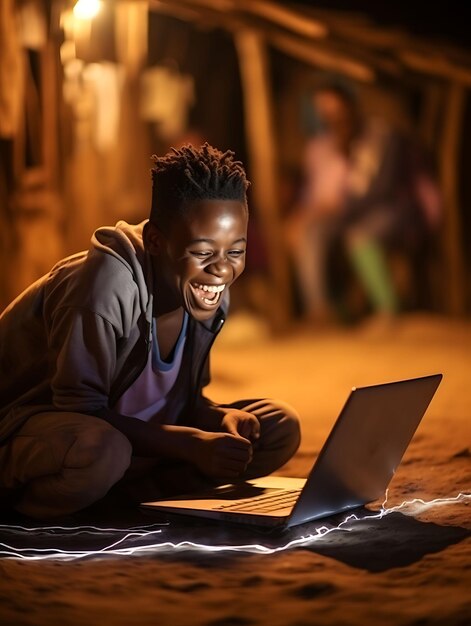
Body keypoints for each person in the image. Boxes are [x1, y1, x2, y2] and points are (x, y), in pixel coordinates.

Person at [0, 143, 301, 520]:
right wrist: (190, 443)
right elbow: (81, 409)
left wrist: (218, 419)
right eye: (204, 252)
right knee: (101, 450)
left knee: (278, 426)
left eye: (235, 252)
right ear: (157, 241)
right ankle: (21, 514)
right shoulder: (105, 285)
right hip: (26, 432)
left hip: (132, 441)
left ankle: (122, 498)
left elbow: (177, 401)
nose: (222, 271)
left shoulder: (207, 293)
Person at [286, 80, 441, 325]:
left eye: (336, 111)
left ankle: (389, 311)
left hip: (399, 210)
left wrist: (340, 208)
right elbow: (322, 194)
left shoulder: (380, 138)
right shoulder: (327, 146)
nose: (332, 118)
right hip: (353, 212)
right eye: (325, 114)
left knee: (359, 236)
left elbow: (382, 190)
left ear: (351, 107)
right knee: (313, 233)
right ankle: (323, 311)